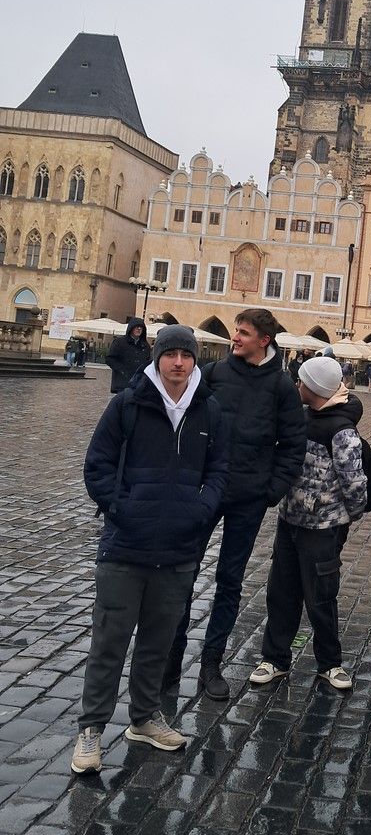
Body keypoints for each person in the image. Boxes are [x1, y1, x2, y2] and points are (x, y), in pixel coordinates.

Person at [74, 326, 228, 774]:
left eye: (186, 355)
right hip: (126, 545)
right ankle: (92, 728)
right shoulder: (127, 404)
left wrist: (201, 509)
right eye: (170, 354)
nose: (179, 362)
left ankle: (143, 718)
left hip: (178, 548)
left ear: (195, 360)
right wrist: (120, 508)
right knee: (109, 641)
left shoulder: (209, 410)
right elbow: (97, 465)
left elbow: (220, 469)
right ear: (157, 357)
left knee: (158, 642)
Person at [165, 308, 307, 698]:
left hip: (249, 497)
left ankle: (211, 663)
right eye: (236, 331)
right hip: (205, 491)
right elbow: (184, 421)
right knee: (184, 571)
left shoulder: (281, 387)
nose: (236, 337)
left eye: (243, 333)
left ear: (264, 340)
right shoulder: (213, 374)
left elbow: (293, 445)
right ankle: (171, 658)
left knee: (230, 581)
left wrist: (270, 490)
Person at [250, 357, 366, 691]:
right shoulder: (301, 417)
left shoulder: (342, 431)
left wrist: (342, 517)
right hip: (290, 520)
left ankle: (330, 663)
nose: (297, 385)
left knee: (321, 597)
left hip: (323, 529)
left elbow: (355, 484)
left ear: (314, 388)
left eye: (302, 381)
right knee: (281, 592)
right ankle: (275, 658)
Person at [105, 318, 151, 393]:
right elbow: (110, 359)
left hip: (138, 384)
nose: (139, 329)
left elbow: (148, 362)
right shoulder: (119, 342)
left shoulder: (145, 346)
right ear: (131, 328)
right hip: (122, 383)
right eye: (137, 327)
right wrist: (122, 370)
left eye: (141, 327)